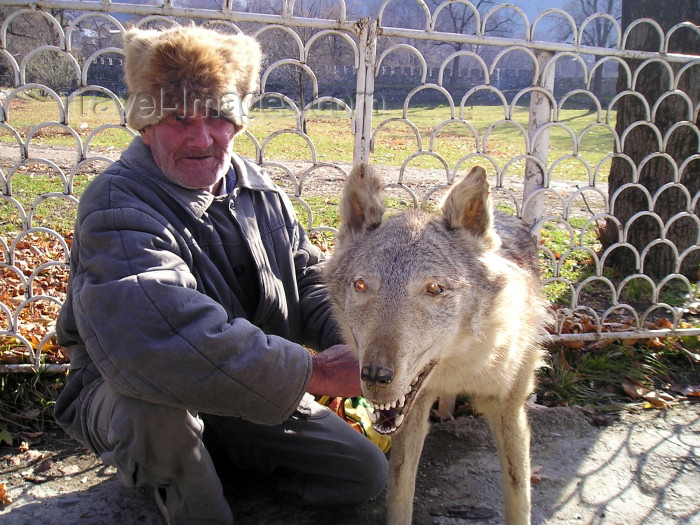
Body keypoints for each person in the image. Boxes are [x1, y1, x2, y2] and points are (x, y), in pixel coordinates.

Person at [54, 25, 388, 525]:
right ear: (145, 125)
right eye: (178, 117)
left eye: (217, 115)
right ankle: (187, 491)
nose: (201, 138)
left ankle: (214, 455)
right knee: (159, 423)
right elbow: (160, 339)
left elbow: (309, 282)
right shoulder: (115, 203)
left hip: (240, 384)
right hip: (132, 389)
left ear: (237, 121)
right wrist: (313, 372)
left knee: (361, 473)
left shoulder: (259, 190)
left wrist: (372, 345)